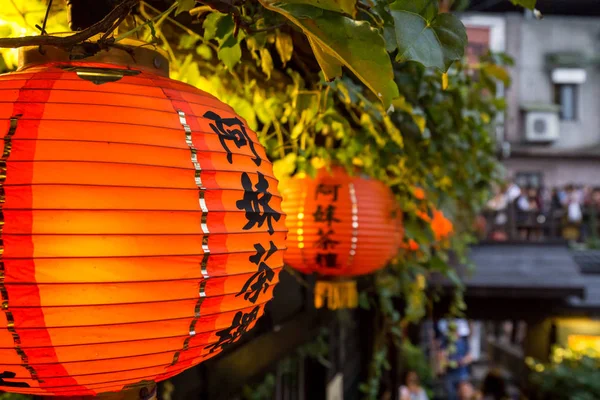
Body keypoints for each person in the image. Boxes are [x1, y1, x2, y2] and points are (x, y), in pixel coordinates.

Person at [437, 319, 472, 400]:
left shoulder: (464, 341)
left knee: (464, 396)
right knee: (451, 396)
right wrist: (448, 362)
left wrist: (461, 361)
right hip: (450, 375)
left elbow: (469, 357)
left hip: (462, 375)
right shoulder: (445, 342)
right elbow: (441, 356)